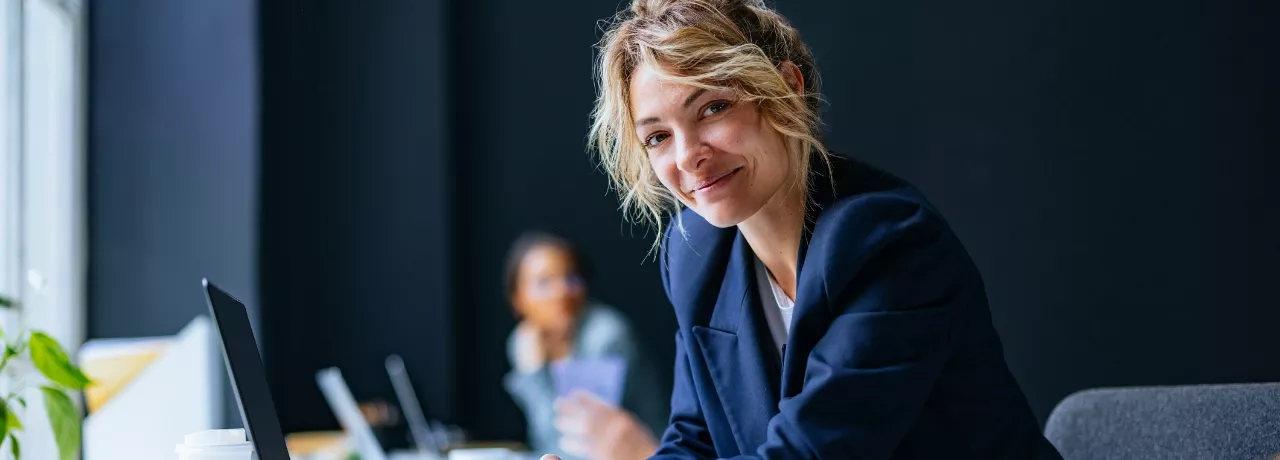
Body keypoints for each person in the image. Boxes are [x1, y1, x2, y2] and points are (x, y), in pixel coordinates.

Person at [544, 0, 1065, 459]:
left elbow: (812, 453)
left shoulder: (888, 242)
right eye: (657, 137)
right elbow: (693, 440)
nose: (689, 157)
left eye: (714, 108)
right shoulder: (695, 257)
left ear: (787, 88)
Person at [502, 230, 667, 460]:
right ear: (518, 299)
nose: (562, 291)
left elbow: (579, 447)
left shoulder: (607, 336)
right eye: (544, 282)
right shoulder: (525, 341)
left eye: (571, 278)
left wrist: (534, 376)